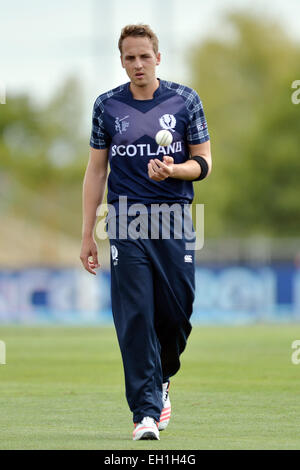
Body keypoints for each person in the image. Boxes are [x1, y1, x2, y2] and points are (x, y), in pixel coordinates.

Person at [80, 24, 212, 441]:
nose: (138, 64)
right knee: (135, 314)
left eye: (144, 56)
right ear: (121, 61)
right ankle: (145, 413)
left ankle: (164, 376)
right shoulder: (106, 106)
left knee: (177, 313)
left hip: (173, 217)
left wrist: (174, 170)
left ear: (159, 57)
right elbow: (96, 171)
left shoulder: (185, 100)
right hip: (125, 220)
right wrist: (87, 235)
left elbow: (204, 162)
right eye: (129, 57)